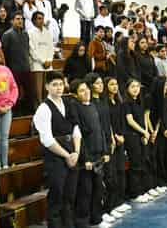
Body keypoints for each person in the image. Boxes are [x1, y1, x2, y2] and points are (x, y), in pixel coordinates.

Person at [33, 71, 81, 228]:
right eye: (54, 84)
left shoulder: (68, 103)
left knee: (70, 195)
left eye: (61, 84)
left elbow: (76, 129)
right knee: (57, 196)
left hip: (72, 152)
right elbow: (46, 139)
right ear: (47, 86)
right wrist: (67, 155)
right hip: (55, 156)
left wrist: (76, 152)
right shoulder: (43, 109)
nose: (59, 88)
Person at [69, 79, 111, 228]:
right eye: (81, 90)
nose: (86, 92)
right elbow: (80, 136)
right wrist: (85, 158)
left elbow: (100, 130)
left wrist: (105, 150)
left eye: (86, 89)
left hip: (99, 154)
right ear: (75, 94)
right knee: (85, 191)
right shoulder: (76, 109)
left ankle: (97, 218)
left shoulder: (93, 106)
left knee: (98, 189)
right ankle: (82, 222)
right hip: (87, 158)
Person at [85, 73, 123, 222]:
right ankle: (102, 211)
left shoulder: (103, 100)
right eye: (97, 83)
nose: (100, 86)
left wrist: (112, 137)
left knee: (111, 175)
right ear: (91, 85)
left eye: (101, 83)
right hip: (98, 143)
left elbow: (108, 122)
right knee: (103, 179)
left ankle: (111, 206)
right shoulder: (91, 102)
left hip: (108, 139)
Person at [104, 77, 132, 214]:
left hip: (121, 139)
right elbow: (106, 122)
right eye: (111, 84)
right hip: (111, 141)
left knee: (121, 171)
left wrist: (122, 136)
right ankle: (111, 204)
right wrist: (114, 136)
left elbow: (122, 121)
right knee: (112, 174)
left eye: (116, 84)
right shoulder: (105, 103)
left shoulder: (119, 102)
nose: (115, 87)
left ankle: (120, 201)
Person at [123, 78, 151, 203]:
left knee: (141, 163)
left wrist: (145, 133)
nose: (135, 89)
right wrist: (143, 132)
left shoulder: (139, 102)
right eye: (132, 87)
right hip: (132, 137)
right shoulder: (126, 103)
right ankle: (134, 193)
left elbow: (143, 118)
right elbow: (130, 121)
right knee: (134, 165)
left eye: (137, 86)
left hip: (140, 135)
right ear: (127, 89)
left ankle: (142, 189)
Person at [2, 11, 31, 114]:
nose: (20, 21)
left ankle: (27, 113)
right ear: (12, 21)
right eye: (18, 19)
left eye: (22, 19)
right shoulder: (7, 34)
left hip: (26, 68)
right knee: (15, 93)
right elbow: (4, 53)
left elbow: (27, 50)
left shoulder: (25, 34)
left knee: (29, 93)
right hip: (14, 69)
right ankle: (16, 114)